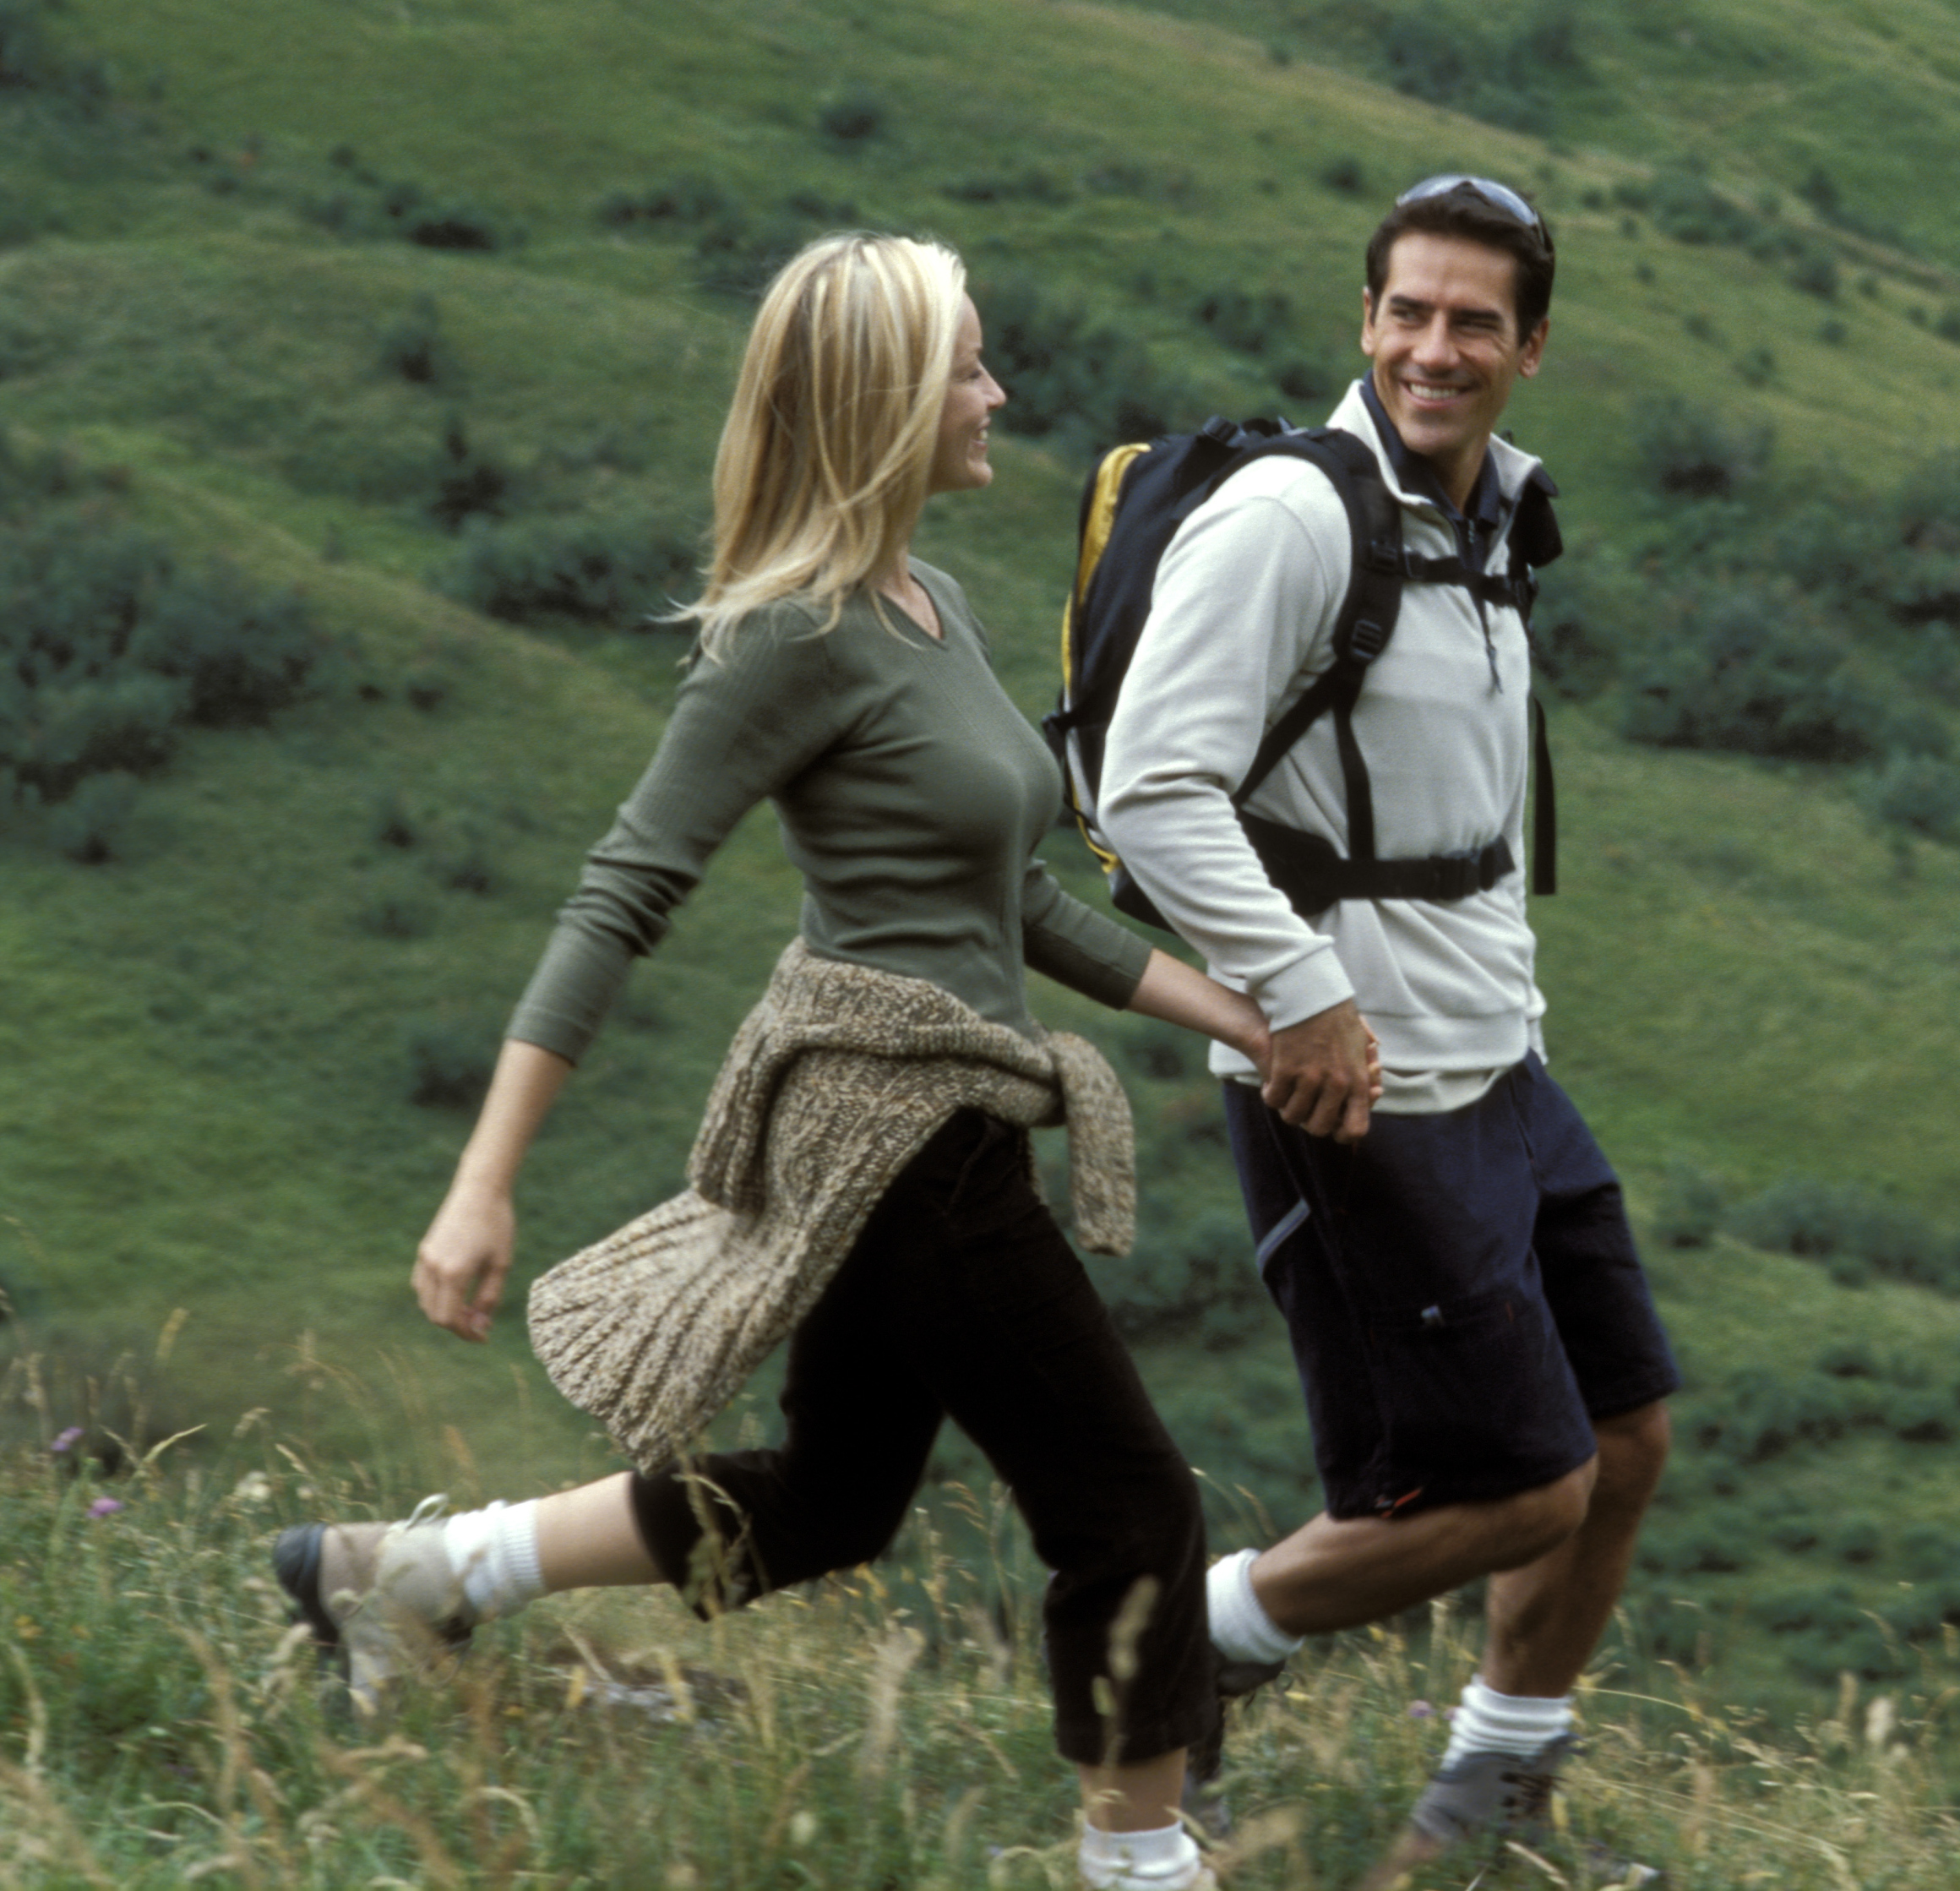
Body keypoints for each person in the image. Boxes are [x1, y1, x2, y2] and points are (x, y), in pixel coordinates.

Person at [272, 233, 1260, 1891]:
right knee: (1135, 1511)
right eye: (966, 366)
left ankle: (417, 1573)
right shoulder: (789, 632)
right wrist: (480, 1183)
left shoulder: (932, 604)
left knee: (831, 1500)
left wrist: (1237, 1011)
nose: (996, 392)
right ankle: (1144, 1860)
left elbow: (1010, 895)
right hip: (898, 1141)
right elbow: (623, 889)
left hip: (940, 1122)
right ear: (883, 401)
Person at [1097, 176, 1676, 1875]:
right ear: (1365, 321)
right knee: (1516, 1487)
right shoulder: (1295, 516)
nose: (1437, 346)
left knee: (1624, 1431)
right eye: (1409, 311)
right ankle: (1174, 1649)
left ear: (1531, 346)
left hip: (1489, 1056)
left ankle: (1493, 1794)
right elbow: (1147, 783)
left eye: (1474, 320)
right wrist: (1304, 994)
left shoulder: (1492, 515)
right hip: (1349, 1084)